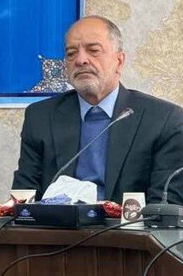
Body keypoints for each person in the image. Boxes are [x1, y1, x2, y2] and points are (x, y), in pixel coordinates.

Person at [12, 15, 183, 204]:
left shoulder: (164, 120)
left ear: (119, 61)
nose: (80, 60)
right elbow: (23, 198)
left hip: (126, 223)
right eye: (71, 53)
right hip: (57, 223)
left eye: (93, 50)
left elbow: (164, 207)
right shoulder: (40, 117)